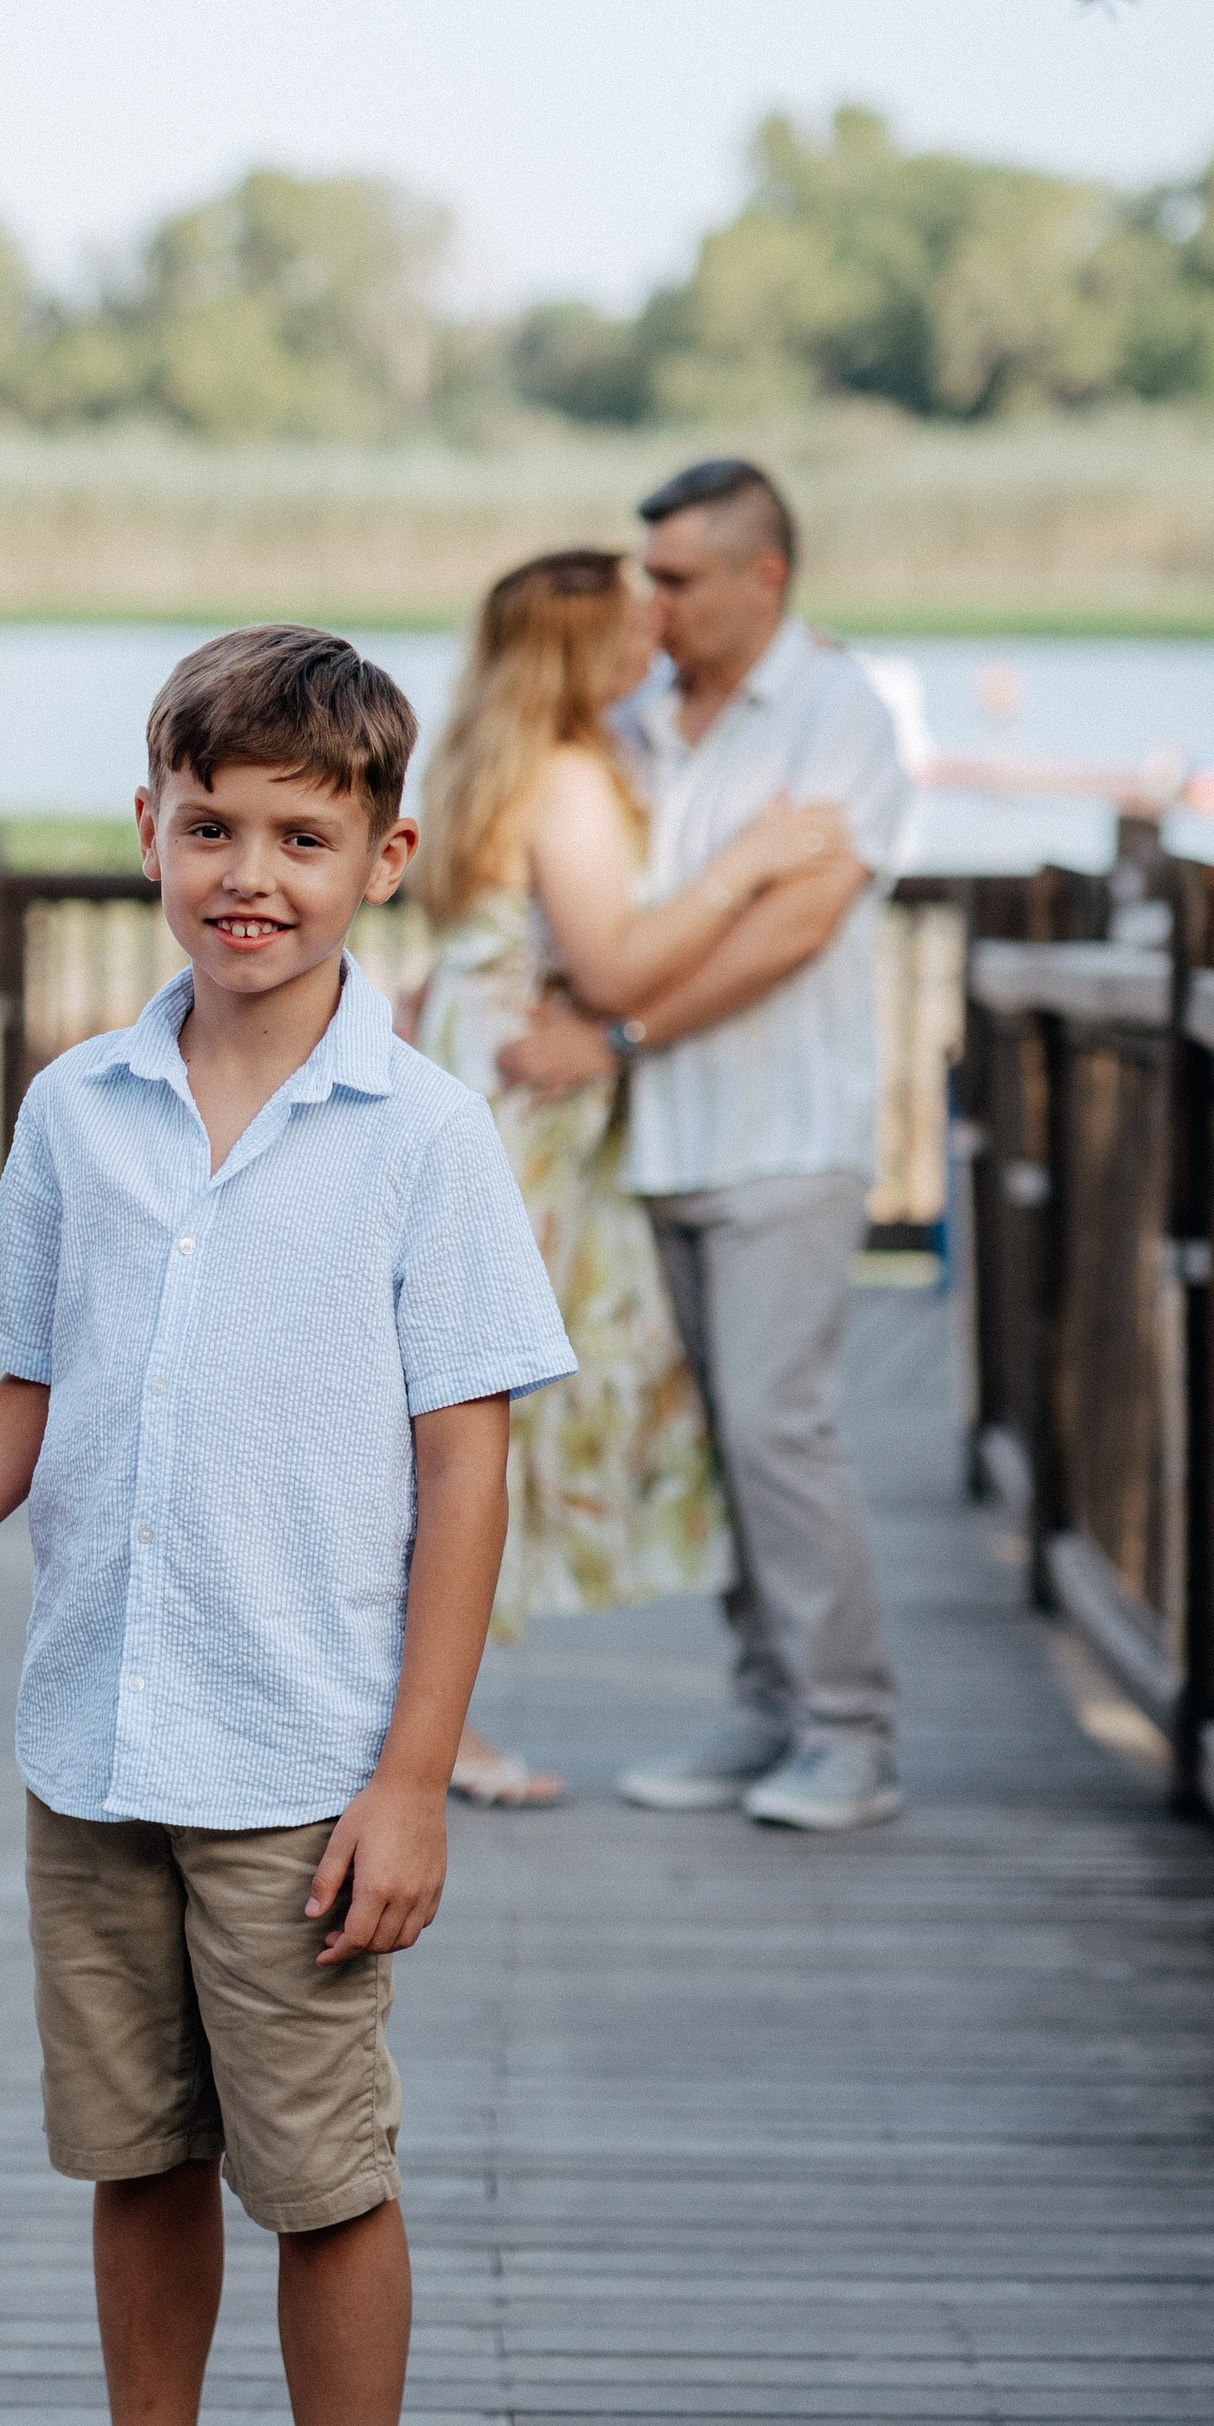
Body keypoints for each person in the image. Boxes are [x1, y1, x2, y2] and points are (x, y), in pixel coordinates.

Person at [0, 626, 571, 2426]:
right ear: (146, 834)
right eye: (206, 826)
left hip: (298, 1756)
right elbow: (23, 1396)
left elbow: (466, 1462)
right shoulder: (78, 1110)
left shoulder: (419, 1136)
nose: (245, 870)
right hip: (93, 1744)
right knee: (136, 2156)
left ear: (384, 856)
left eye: (298, 834)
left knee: (321, 2178)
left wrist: (414, 1773)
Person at [500, 459, 915, 1833]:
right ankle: (768, 1710)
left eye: (676, 578)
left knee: (779, 1432)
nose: (652, 602)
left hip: (782, 1137)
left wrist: (619, 1037)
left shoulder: (840, 712)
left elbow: (796, 928)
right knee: (725, 1444)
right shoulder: (642, 719)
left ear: (765, 578)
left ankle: (849, 1735)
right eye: (648, 577)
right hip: (655, 1149)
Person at [411, 548, 853, 1805]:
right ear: (582, 650)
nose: (653, 627)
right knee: (492, 1402)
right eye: (629, 616)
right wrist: (750, 859)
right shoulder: (562, 778)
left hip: (474, 1073)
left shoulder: (485, 757)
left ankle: (427, 1714)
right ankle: (434, 1726)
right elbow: (609, 967)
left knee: (461, 1397)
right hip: (524, 1113)